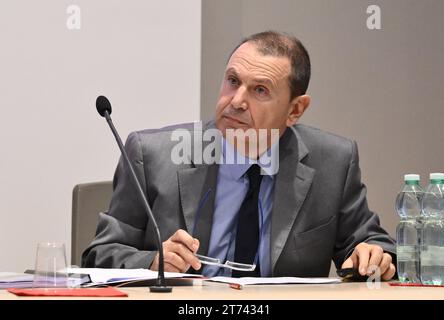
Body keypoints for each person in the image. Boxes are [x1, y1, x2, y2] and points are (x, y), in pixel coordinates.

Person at [82, 31, 396, 280]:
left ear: (295, 109)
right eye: (233, 81)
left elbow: (372, 245)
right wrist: (151, 262)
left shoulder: (333, 162)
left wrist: (373, 257)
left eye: (260, 90)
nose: (237, 101)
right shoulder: (151, 155)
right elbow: (100, 255)